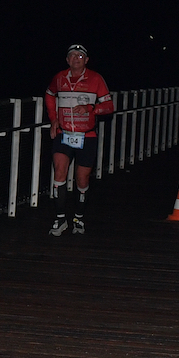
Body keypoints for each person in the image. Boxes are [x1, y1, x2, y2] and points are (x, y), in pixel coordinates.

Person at [44, 44, 114, 236]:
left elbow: (109, 105)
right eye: (72, 56)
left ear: (86, 60)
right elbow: (49, 95)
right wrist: (53, 119)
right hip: (64, 134)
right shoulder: (59, 78)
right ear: (67, 60)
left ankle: (78, 218)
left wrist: (91, 109)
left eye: (80, 56)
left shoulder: (96, 78)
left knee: (82, 178)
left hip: (87, 136)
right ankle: (60, 219)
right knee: (59, 173)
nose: (76, 58)